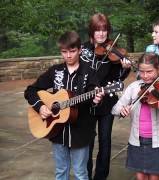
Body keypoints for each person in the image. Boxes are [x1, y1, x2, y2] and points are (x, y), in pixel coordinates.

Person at [24, 31, 104, 180]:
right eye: (64, 52)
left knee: (80, 172)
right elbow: (30, 91)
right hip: (56, 131)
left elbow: (94, 96)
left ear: (80, 50)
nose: (68, 56)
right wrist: (40, 106)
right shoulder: (55, 72)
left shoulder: (89, 72)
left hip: (81, 132)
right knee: (61, 170)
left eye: (72, 51)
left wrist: (96, 99)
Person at [80, 13, 131, 180]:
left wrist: (124, 68)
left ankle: (101, 176)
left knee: (105, 141)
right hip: (87, 101)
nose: (101, 34)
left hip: (107, 102)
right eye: (97, 30)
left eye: (104, 30)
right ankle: (85, 175)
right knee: (87, 142)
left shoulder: (113, 50)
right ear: (92, 31)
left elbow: (118, 79)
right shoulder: (83, 49)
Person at [112, 52, 159, 180]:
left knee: (154, 177)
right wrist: (122, 110)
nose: (145, 76)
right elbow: (115, 108)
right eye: (142, 72)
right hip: (137, 140)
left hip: (157, 142)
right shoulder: (134, 87)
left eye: (149, 72)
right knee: (140, 176)